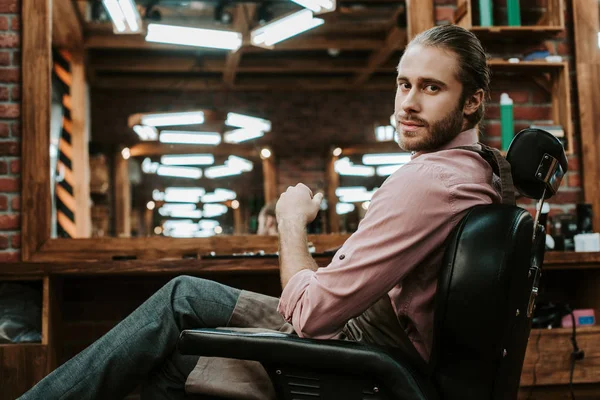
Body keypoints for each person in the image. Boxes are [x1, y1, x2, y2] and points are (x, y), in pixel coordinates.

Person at [20, 24, 504, 399]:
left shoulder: (426, 181)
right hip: (380, 343)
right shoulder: (479, 171)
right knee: (180, 325)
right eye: (403, 84)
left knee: (178, 312)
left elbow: (313, 319)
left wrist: (291, 221)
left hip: (368, 357)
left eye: (431, 88)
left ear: (473, 102)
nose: (408, 104)